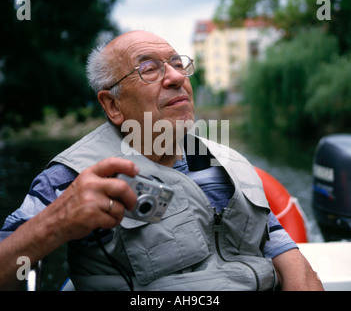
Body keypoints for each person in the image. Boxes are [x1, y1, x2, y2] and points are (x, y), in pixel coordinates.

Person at [0, 31, 323, 291]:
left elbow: (281, 249)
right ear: (113, 105)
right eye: (149, 69)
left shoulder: (222, 160)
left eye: (177, 64)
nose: (175, 77)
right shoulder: (76, 176)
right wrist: (56, 222)